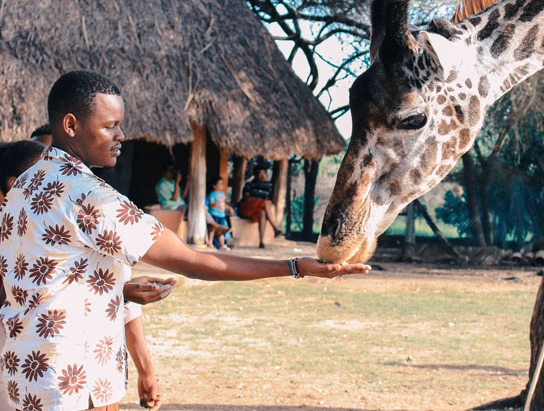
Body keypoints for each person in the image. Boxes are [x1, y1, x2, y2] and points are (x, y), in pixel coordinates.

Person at [0, 69, 370, 411]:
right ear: (71, 125)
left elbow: (46, 278)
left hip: (28, 374)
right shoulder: (87, 196)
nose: (120, 136)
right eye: (110, 126)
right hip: (74, 380)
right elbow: (193, 262)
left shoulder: (25, 185)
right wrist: (294, 266)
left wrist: (117, 290)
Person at [0, 139, 175, 411]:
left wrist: (147, 370)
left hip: (89, 381)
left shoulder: (91, 216)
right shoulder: (14, 223)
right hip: (36, 377)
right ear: (16, 183)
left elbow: (128, 312)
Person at [237, 162, 283, 248]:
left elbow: (268, 199)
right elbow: (246, 198)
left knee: (262, 213)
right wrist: (260, 201)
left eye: (264, 174)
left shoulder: (268, 185)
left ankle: (261, 241)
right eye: (260, 174)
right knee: (266, 203)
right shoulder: (249, 184)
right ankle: (275, 227)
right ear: (255, 175)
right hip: (246, 208)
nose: (262, 176)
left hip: (257, 209)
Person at [206, 177, 234, 250]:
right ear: (214, 186)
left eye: (222, 183)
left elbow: (223, 204)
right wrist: (215, 204)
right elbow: (210, 205)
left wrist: (230, 208)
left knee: (221, 231)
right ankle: (210, 243)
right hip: (214, 214)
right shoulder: (212, 194)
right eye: (220, 183)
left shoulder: (222, 194)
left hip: (222, 215)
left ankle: (222, 245)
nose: (222, 185)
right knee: (212, 229)